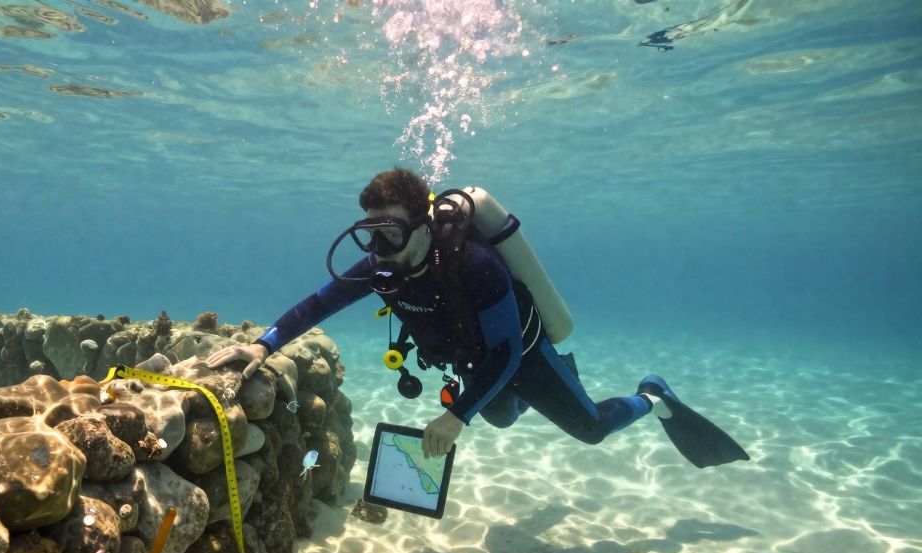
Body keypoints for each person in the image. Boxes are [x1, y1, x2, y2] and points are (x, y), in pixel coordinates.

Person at [206, 168, 747, 468]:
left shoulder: (476, 266)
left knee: (590, 429)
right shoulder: (382, 266)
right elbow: (320, 301)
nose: (379, 248)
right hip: (475, 359)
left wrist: (455, 416)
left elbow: (507, 353)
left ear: (422, 228)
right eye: (371, 234)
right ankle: (552, 387)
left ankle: (652, 396)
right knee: (502, 416)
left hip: (520, 353)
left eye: (391, 233)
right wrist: (263, 345)